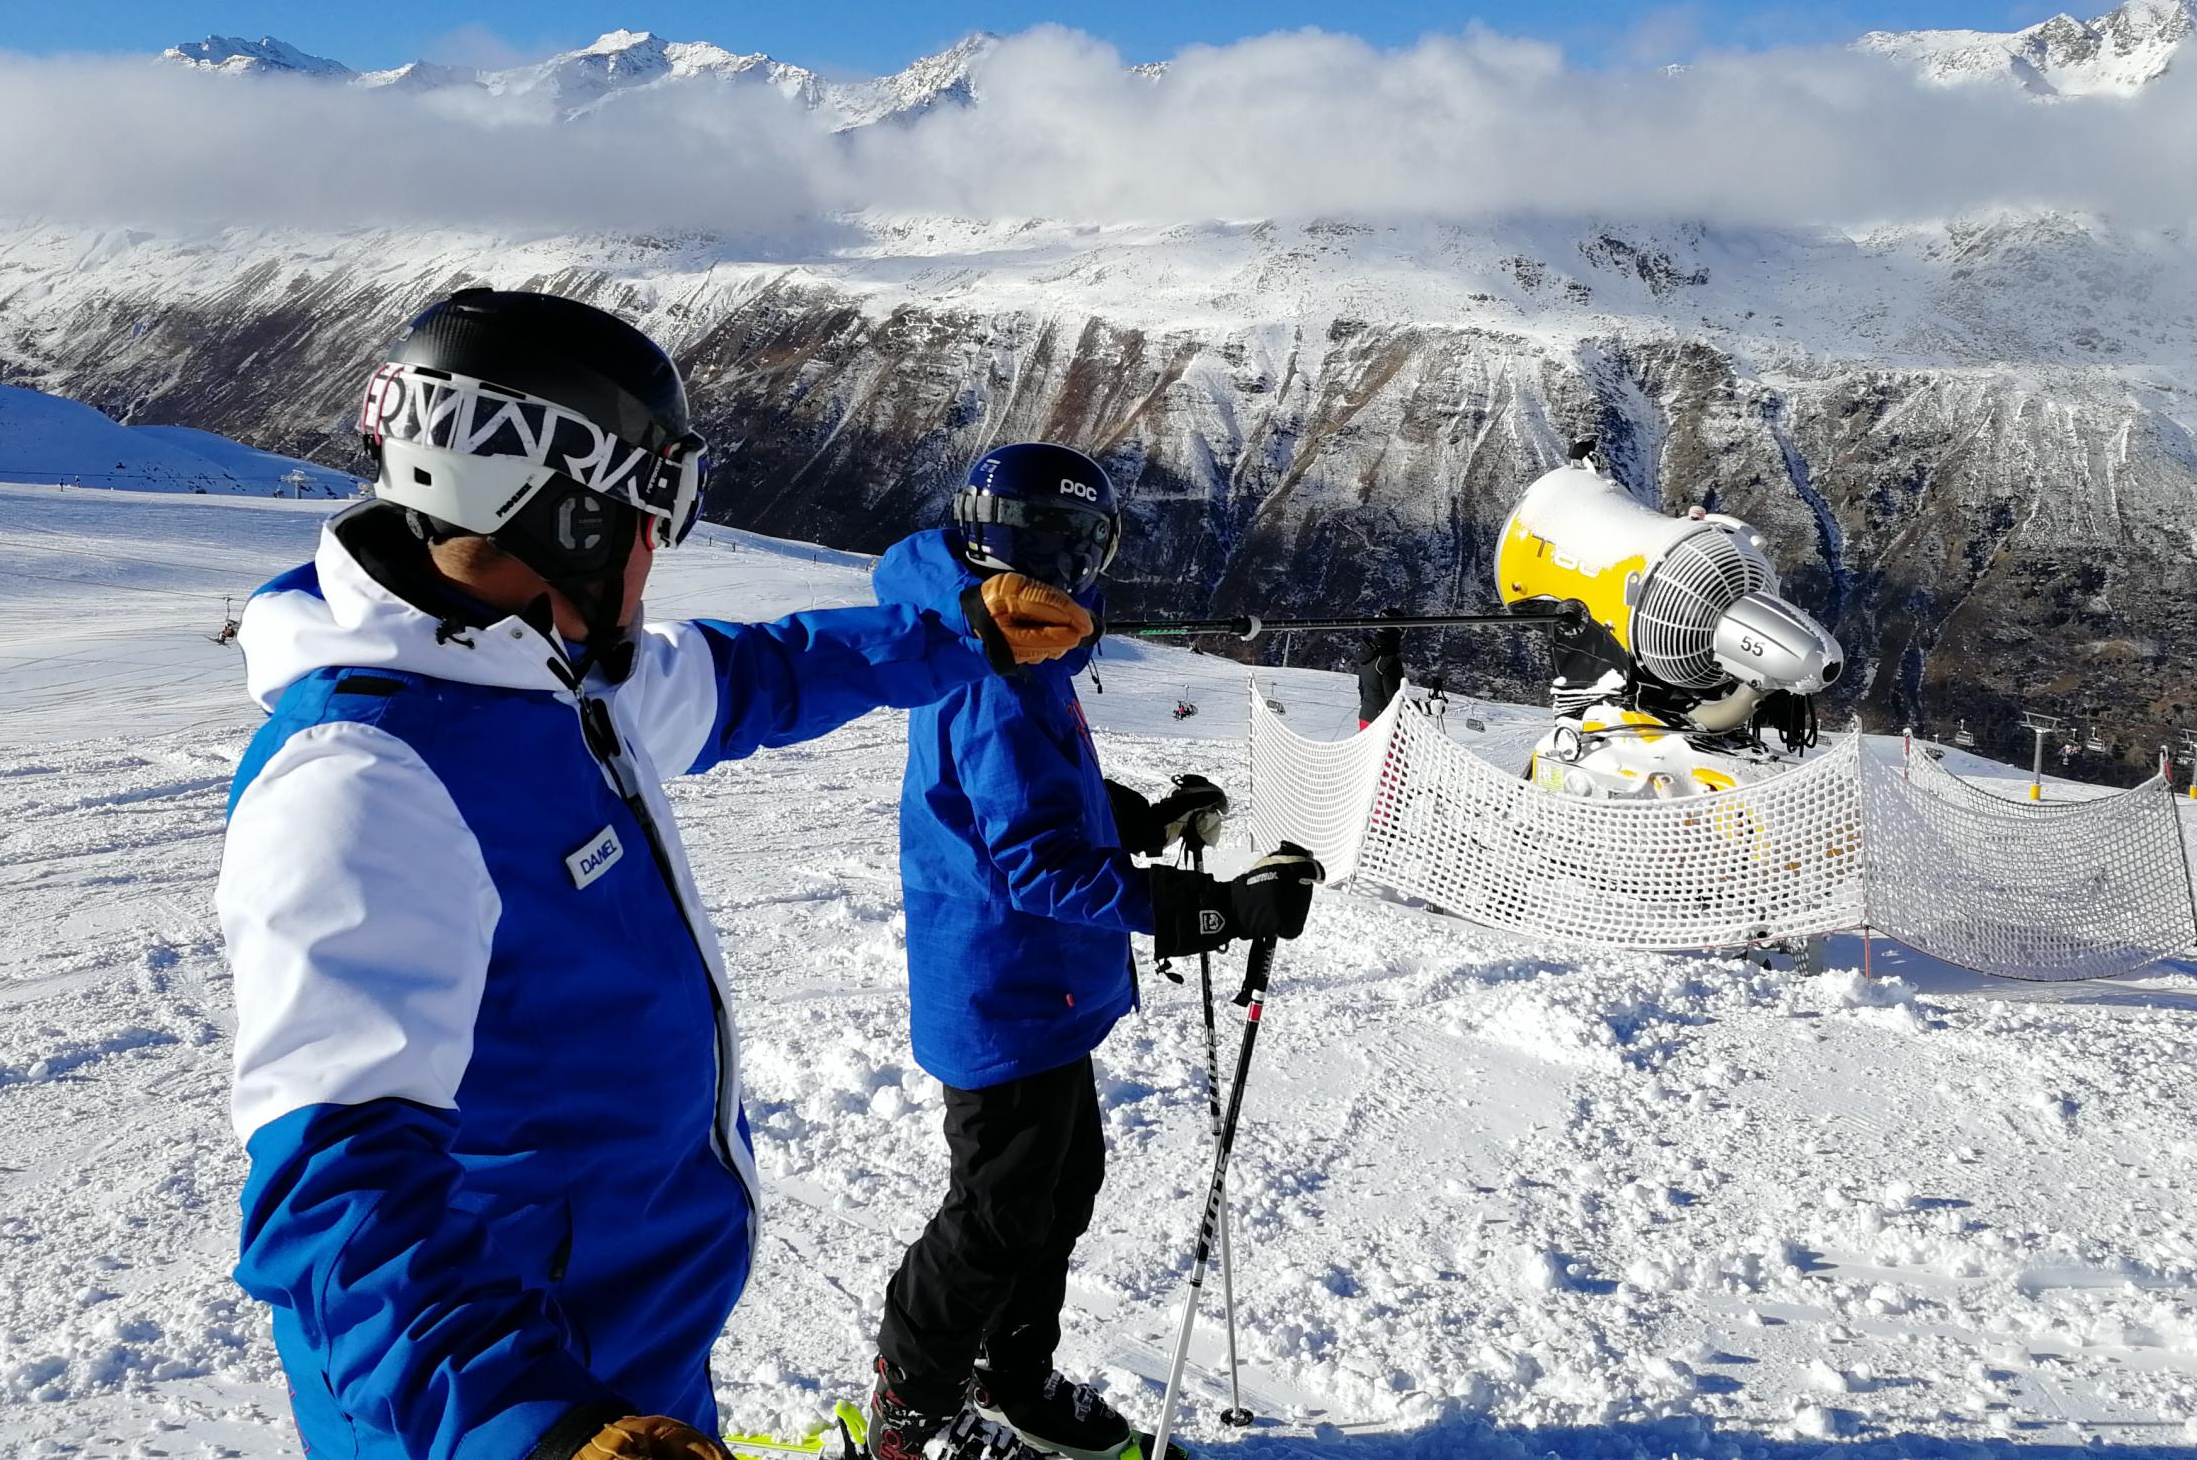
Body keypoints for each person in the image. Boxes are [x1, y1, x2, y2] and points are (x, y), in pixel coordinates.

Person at [216, 290, 1096, 1460]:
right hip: (508, 1400)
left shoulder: (555, 680)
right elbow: (334, 1188)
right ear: (562, 510)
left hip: (630, 1365)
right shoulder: (367, 777)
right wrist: (541, 1426)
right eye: (649, 512)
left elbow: (754, 680)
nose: (655, 551)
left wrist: (958, 639)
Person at [866, 443, 1324, 1460]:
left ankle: (1010, 1377)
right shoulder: (992, 677)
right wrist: (1206, 911)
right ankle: (912, 1413)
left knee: (1057, 1194)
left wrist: (1146, 821)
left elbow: (1044, 803)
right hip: (1002, 993)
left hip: (1046, 993)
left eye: (1084, 551)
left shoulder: (1004, 645)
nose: (1072, 575)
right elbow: (1031, 864)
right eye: (1061, 548)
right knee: (993, 1218)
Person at [1353, 621, 1405, 729]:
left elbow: (1362, 689)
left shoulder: (1367, 655)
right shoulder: (1389, 661)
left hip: (1366, 717)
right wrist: (1427, 707)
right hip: (1385, 723)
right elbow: (1395, 700)